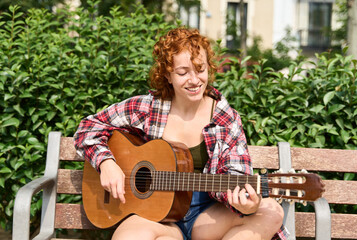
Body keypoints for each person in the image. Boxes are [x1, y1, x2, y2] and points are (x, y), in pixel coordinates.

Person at [74, 27, 288, 240]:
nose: (194, 80)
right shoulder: (147, 108)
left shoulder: (225, 118)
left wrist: (246, 204)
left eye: (200, 69)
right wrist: (106, 164)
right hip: (156, 217)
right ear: (167, 74)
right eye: (183, 72)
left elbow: (237, 175)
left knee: (271, 210)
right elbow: (87, 127)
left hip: (208, 218)